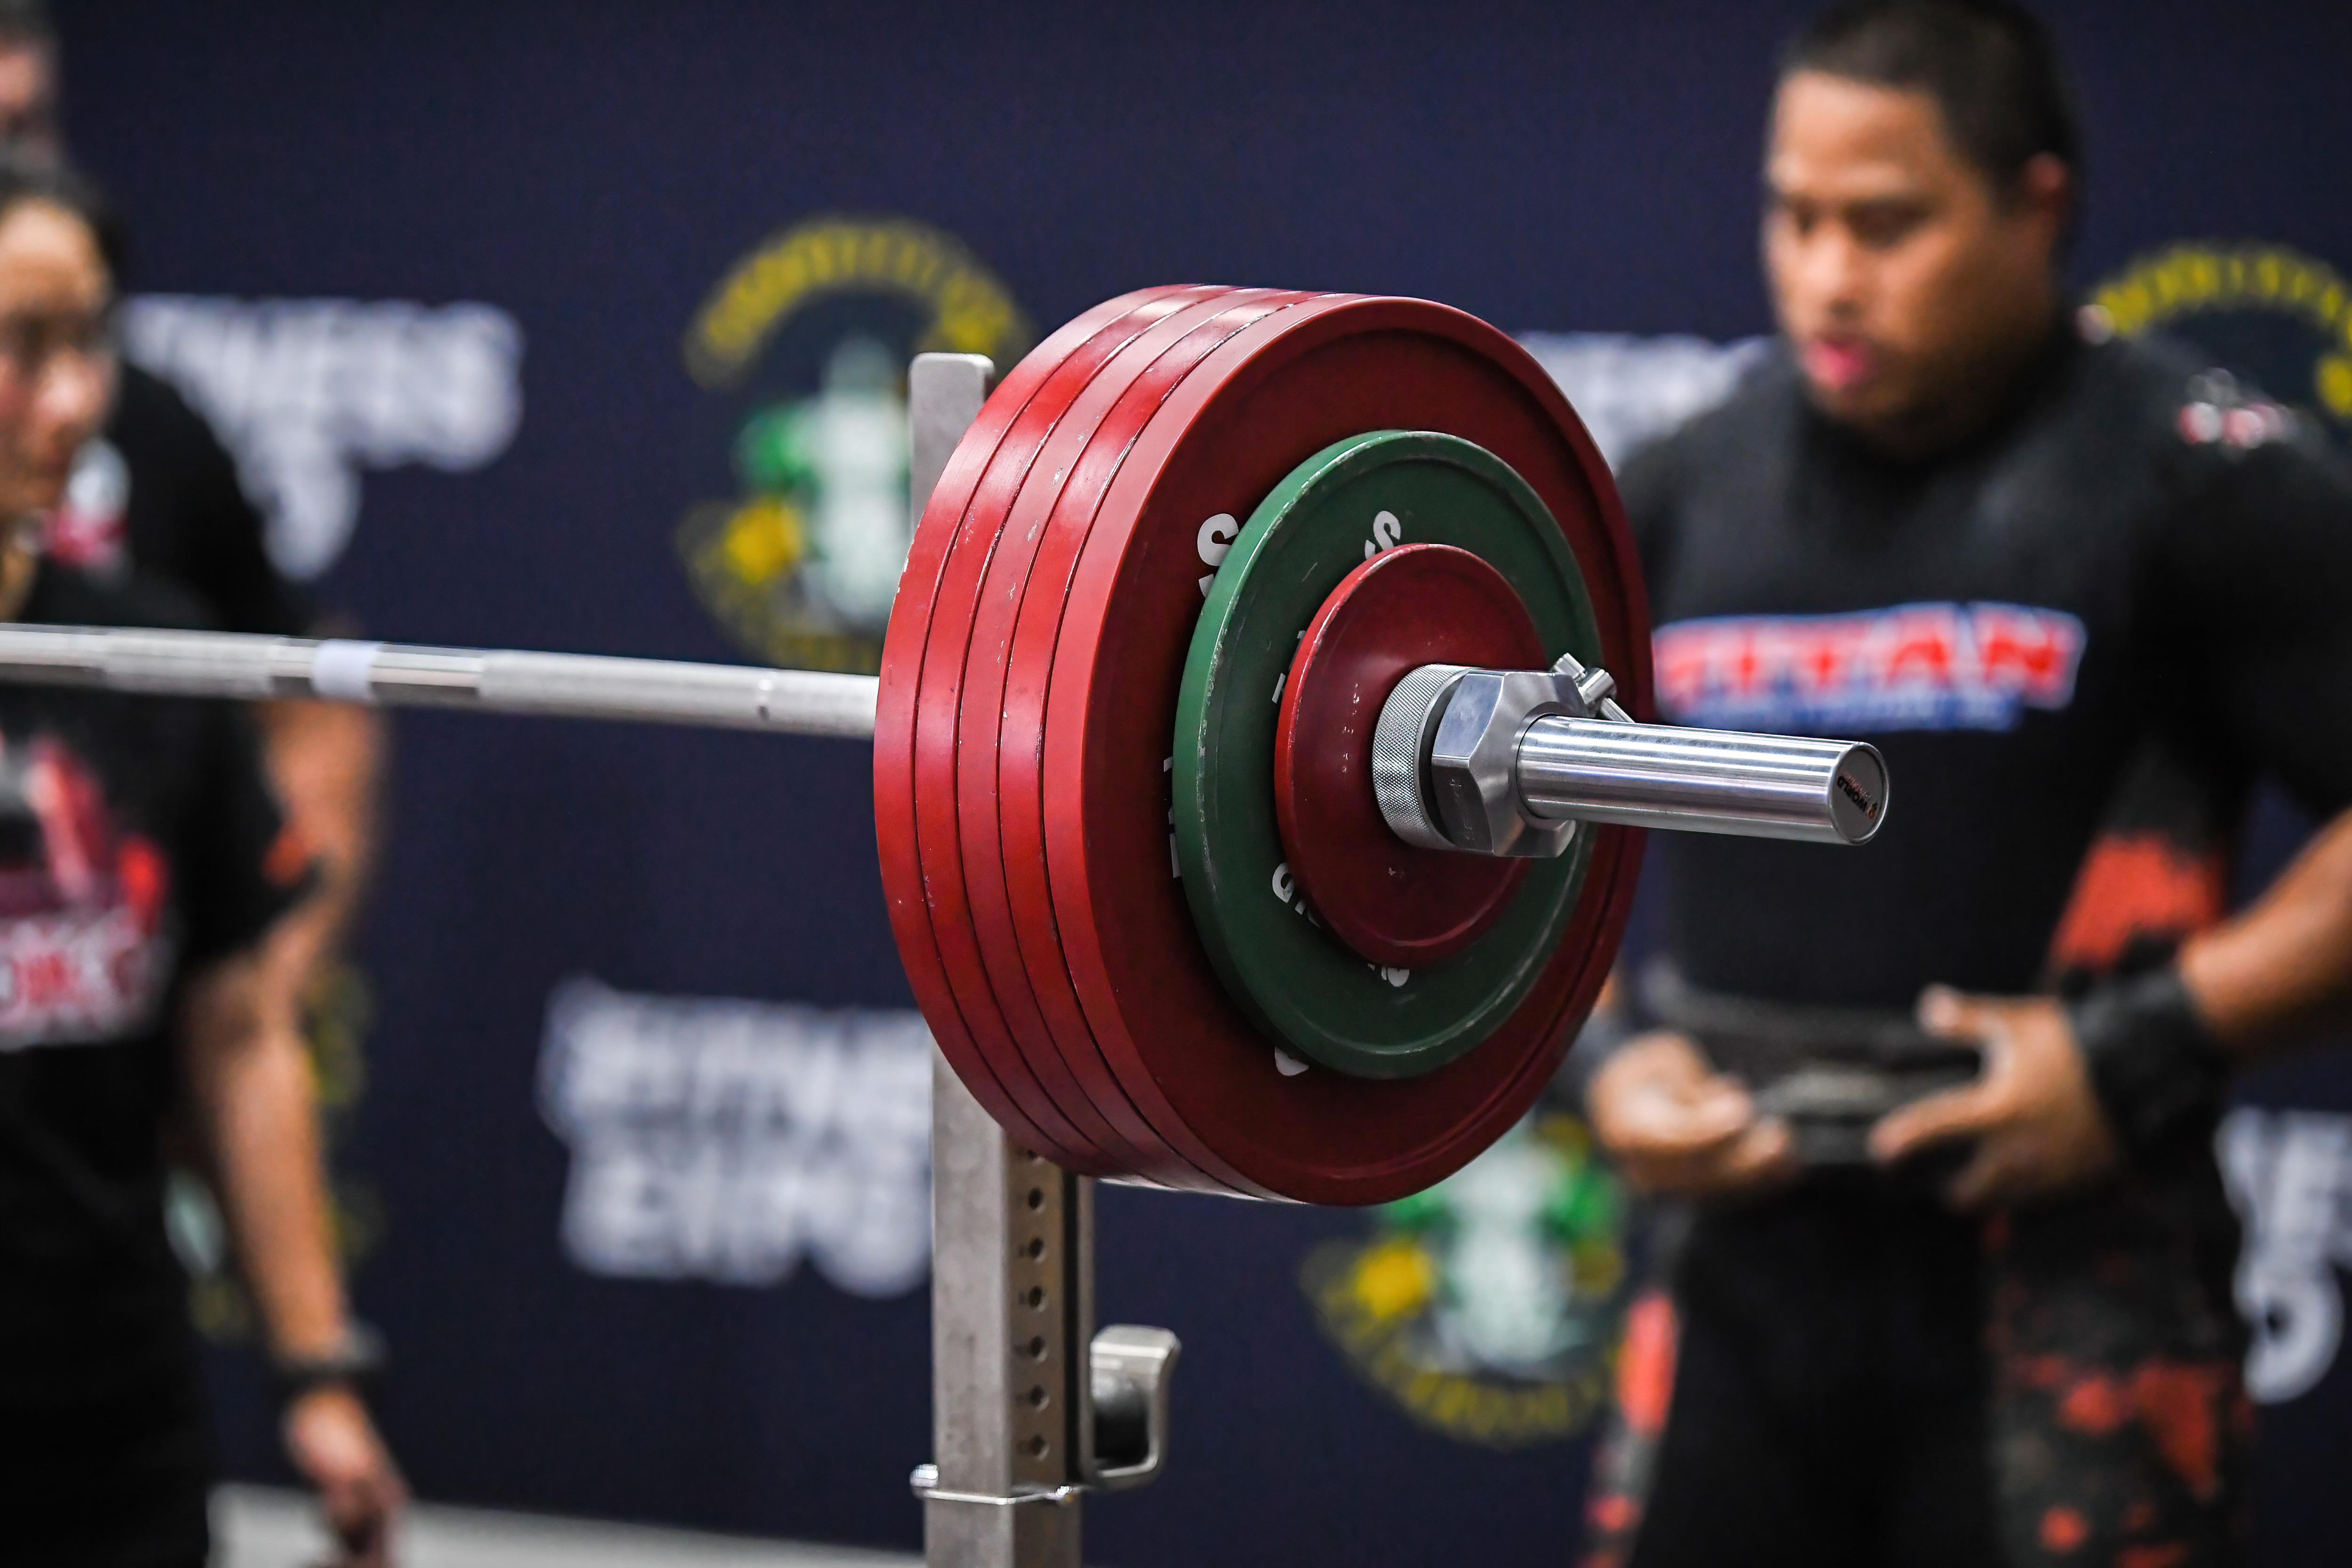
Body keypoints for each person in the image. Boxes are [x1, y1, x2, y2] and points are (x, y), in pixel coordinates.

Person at [1573, 4, 2352, 1565]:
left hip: (2071, 1302)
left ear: (2036, 207)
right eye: (1793, 216)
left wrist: (2136, 1049)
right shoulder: (1676, 486)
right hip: (1731, 1295)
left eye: (1887, 223)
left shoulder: (2195, 475)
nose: (1825, 275)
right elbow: (1503, 838)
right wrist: (1600, 1068)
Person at [0, 160, 403, 1567]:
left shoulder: (156, 659)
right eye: (20, 345)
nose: (70, 401)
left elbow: (240, 1037)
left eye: (87, 340)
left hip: (112, 1411)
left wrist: (316, 1375)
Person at [0, 0, 386, 1018]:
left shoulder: (147, 430)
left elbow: (314, 696)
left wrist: (251, 996)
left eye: (21, 133)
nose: (66, 402)